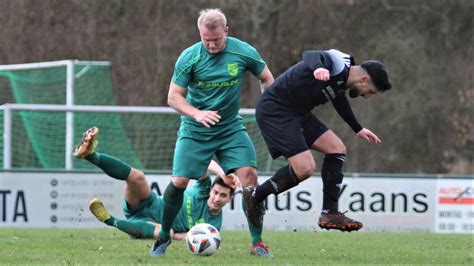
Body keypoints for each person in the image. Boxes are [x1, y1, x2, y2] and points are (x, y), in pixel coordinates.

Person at [151, 8, 274, 257]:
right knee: (179, 182)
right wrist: (196, 113)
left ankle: (257, 243)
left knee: (250, 176)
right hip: (195, 129)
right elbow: (173, 97)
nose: (211, 44)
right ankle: (163, 236)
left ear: (226, 31)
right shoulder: (189, 58)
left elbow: (267, 79)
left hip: (230, 128)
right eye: (205, 39)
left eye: (216, 39)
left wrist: (270, 108)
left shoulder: (243, 52)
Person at [247, 49, 392, 232]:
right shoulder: (338, 63)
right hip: (276, 111)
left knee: (337, 149)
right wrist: (318, 68)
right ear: (363, 80)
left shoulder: (342, 80)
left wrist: (358, 128)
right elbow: (310, 55)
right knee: (305, 168)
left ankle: (329, 213)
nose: (366, 96)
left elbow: (338, 99)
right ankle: (255, 197)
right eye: (369, 92)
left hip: (298, 113)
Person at [72, 127, 240, 240]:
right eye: (216, 192)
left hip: (157, 226)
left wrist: (179, 236)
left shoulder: (214, 224)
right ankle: (90, 154)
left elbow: (188, 237)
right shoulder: (203, 190)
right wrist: (223, 173)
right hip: (148, 202)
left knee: (165, 233)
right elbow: (202, 160)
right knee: (137, 176)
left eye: (223, 195)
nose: (217, 198)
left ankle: (109, 220)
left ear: (229, 200)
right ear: (211, 190)